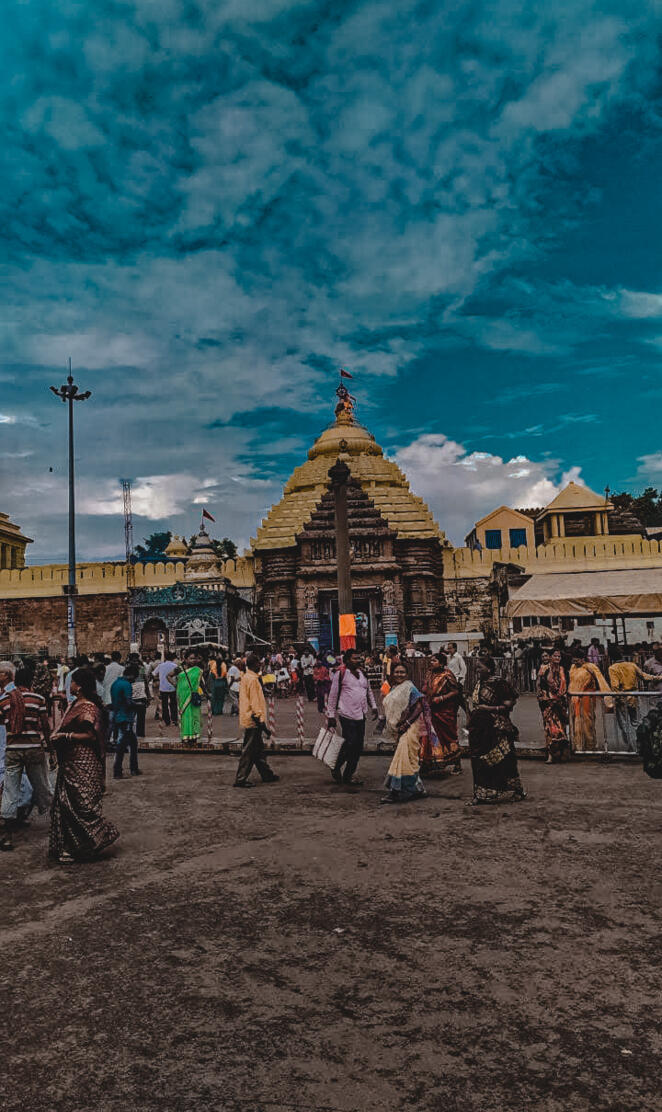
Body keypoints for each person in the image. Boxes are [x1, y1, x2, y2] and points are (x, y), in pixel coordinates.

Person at [49, 667, 120, 864]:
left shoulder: (88, 707)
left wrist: (65, 736)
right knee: (66, 805)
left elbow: (90, 735)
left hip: (83, 761)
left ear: (78, 686)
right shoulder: (75, 704)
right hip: (70, 761)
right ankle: (72, 847)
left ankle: (97, 838)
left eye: (71, 682)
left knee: (82, 806)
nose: (69, 685)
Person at [0, 663, 53, 851]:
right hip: (33, 749)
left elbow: (3, 723)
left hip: (13, 750)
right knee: (42, 787)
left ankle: (6, 836)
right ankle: (57, 824)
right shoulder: (38, 699)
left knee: (10, 790)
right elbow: (45, 725)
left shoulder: (5, 700)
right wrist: (50, 746)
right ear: (31, 681)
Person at [467, 655, 526, 805]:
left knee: (504, 760)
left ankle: (517, 790)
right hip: (480, 729)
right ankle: (481, 794)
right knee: (479, 761)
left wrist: (489, 708)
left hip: (497, 728)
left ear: (489, 668)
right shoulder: (479, 683)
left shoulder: (499, 683)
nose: (477, 670)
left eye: (480, 667)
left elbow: (509, 704)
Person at [381, 662, 434, 804]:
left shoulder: (410, 687)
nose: (399, 675)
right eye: (397, 672)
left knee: (402, 757)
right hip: (401, 727)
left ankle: (398, 791)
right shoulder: (394, 688)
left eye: (402, 672)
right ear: (392, 674)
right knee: (409, 759)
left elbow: (418, 707)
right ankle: (417, 788)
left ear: (407, 674)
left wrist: (407, 724)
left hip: (411, 727)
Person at [326, 649, 379, 786]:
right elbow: (333, 695)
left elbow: (368, 692)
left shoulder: (363, 674)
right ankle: (336, 766)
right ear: (347, 660)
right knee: (349, 744)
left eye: (359, 658)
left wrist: (374, 706)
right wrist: (331, 716)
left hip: (361, 715)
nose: (358, 660)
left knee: (358, 747)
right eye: (355, 658)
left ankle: (348, 776)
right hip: (346, 714)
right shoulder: (341, 673)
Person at [234, 653, 279, 788]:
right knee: (248, 751)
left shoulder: (247, 677)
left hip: (249, 717)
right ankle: (240, 779)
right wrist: (261, 721)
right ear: (255, 664)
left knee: (258, 751)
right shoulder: (252, 680)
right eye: (259, 663)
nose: (261, 665)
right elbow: (254, 702)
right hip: (253, 719)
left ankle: (267, 774)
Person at [608, 654, 658, 752]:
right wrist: (658, 677)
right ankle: (639, 745)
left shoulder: (612, 668)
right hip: (634, 697)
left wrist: (616, 698)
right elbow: (644, 676)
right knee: (635, 722)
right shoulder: (632, 665)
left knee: (624, 724)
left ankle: (631, 747)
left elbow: (615, 686)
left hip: (622, 699)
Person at [423, 653, 462, 774]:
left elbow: (455, 691)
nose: (431, 663)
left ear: (441, 663)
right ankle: (432, 763)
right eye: (430, 660)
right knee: (432, 738)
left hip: (445, 712)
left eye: (434, 661)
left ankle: (457, 764)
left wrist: (441, 698)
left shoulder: (447, 675)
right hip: (431, 710)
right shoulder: (429, 674)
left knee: (449, 737)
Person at [569, 650, 613, 752]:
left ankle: (590, 745)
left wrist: (607, 697)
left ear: (582, 659)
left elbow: (601, 680)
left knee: (588, 721)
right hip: (574, 699)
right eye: (574, 660)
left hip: (587, 698)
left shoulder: (591, 667)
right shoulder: (572, 667)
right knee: (576, 721)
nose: (575, 662)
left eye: (577, 660)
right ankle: (578, 746)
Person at [536, 649, 570, 763]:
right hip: (547, 703)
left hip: (559, 702)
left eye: (559, 656)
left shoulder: (562, 669)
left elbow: (565, 685)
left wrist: (561, 696)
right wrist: (542, 698)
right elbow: (539, 685)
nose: (557, 658)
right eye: (555, 656)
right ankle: (550, 755)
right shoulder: (544, 669)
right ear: (550, 657)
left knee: (561, 728)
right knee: (550, 729)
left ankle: (561, 753)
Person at [169, 650, 205, 745]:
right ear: (185, 659)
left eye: (195, 658)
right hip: (183, 695)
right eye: (191, 658)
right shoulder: (179, 669)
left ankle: (194, 735)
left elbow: (200, 682)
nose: (194, 660)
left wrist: (207, 693)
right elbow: (168, 676)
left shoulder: (198, 670)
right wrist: (175, 684)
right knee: (185, 715)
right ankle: (185, 736)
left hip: (194, 695)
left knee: (195, 715)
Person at [111, 663, 141, 778]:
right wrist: (138, 705)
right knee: (122, 745)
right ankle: (118, 771)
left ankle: (134, 768)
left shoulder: (115, 683)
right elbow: (129, 702)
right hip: (125, 717)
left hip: (118, 715)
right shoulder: (126, 685)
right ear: (131, 675)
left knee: (132, 743)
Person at [101, 651, 124, 746]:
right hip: (117, 698)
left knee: (109, 721)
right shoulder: (122, 669)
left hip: (106, 697)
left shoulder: (105, 668)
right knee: (117, 720)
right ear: (119, 658)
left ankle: (107, 739)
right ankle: (115, 739)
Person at [155, 652, 178, 726]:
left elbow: (154, 673)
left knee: (164, 705)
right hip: (172, 687)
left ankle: (167, 721)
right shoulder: (175, 666)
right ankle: (174, 719)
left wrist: (160, 677)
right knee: (173, 704)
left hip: (163, 688)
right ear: (172, 658)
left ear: (165, 658)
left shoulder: (161, 665)